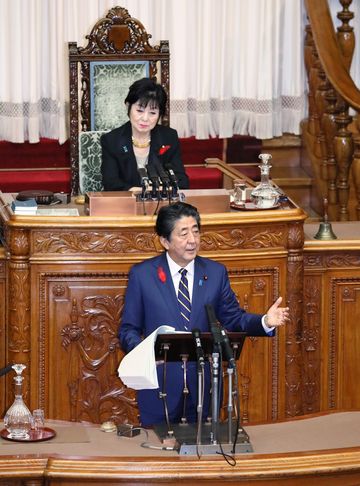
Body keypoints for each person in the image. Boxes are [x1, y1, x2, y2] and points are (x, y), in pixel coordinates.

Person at [119, 202, 290, 426]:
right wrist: (146, 355)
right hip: (159, 386)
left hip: (204, 387)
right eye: (183, 233)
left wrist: (265, 321)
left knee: (203, 455)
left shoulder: (215, 273)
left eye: (196, 231)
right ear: (164, 241)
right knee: (160, 456)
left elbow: (234, 319)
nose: (193, 240)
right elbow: (128, 329)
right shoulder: (143, 275)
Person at [101, 77, 189, 191]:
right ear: (128, 107)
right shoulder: (111, 140)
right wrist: (140, 192)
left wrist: (159, 192)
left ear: (159, 115)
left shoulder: (169, 137)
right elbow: (110, 183)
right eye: (139, 111)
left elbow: (182, 181)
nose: (145, 118)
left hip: (162, 204)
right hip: (126, 204)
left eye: (152, 113)